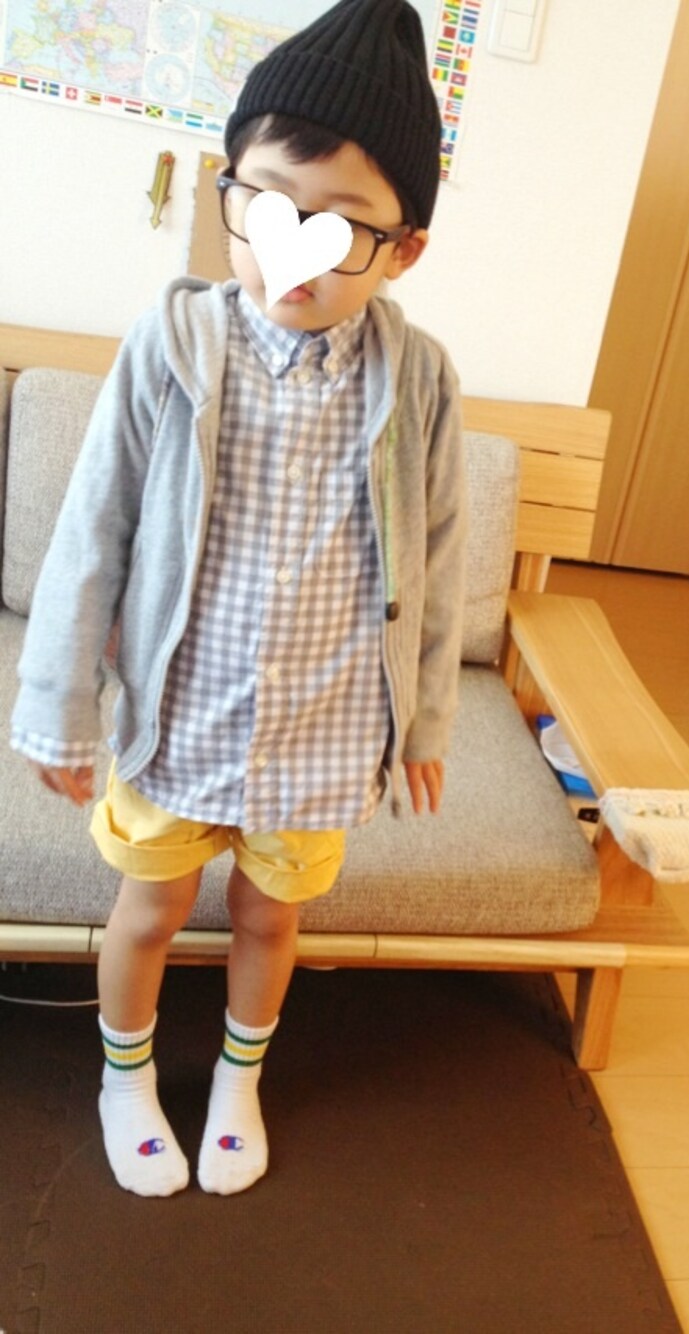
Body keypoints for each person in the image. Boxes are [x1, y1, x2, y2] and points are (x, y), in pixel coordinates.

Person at [10, 0, 465, 1198]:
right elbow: (90, 529)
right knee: (150, 909)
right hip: (181, 719)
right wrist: (57, 702)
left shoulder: (417, 378)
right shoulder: (172, 344)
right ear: (230, 195)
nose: (293, 253)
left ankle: (238, 1078)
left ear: (405, 248)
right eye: (267, 212)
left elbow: (439, 556)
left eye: (342, 227)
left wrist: (424, 721)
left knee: (270, 920)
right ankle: (124, 1077)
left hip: (321, 729)